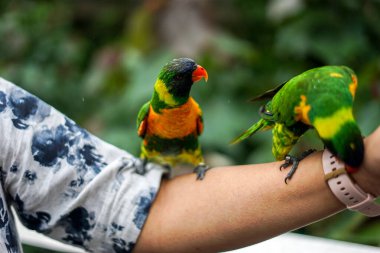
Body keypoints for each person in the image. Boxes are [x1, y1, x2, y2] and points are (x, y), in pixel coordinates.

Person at [0, 77, 379, 253]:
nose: (197, 77)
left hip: (183, 164)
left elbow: (127, 209)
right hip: (158, 155)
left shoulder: (4, 110)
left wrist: (361, 170)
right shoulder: (148, 114)